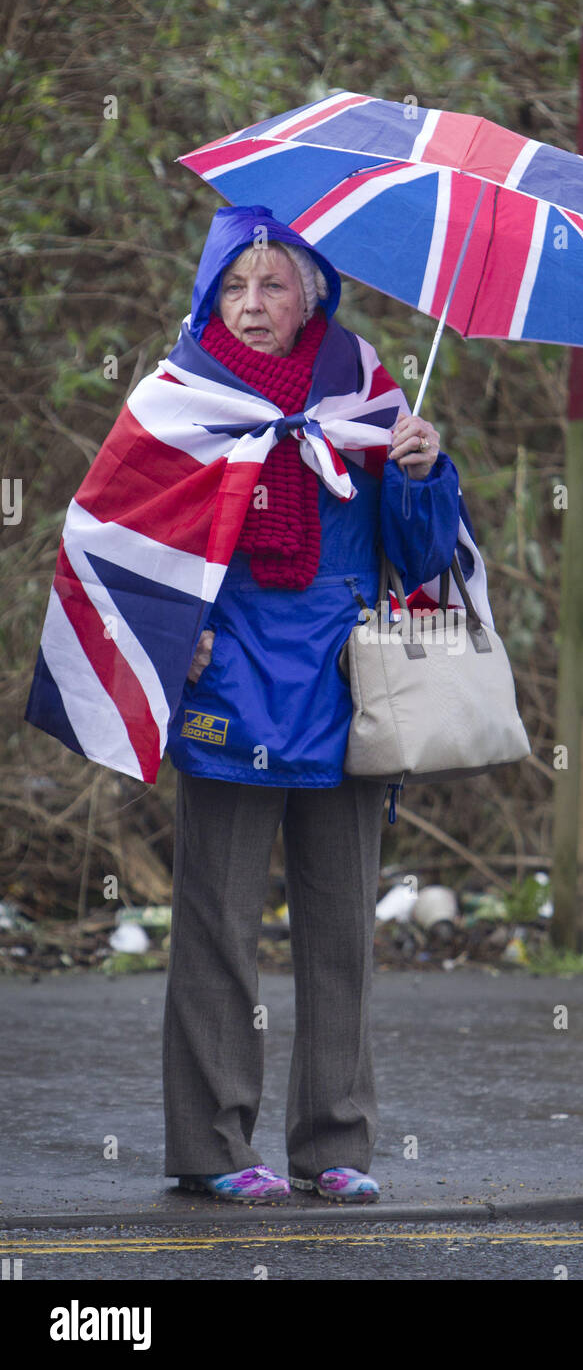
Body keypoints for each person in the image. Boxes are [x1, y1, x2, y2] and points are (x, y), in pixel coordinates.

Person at [159, 205, 466, 1205]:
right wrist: (175, 629)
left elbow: (418, 560)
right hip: (226, 688)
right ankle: (212, 1148)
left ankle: (335, 1142)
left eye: (274, 284)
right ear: (213, 295)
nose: (252, 305)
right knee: (215, 926)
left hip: (343, 692)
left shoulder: (367, 389)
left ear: (312, 294)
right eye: (234, 285)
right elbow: (127, 534)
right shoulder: (180, 395)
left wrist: (422, 474)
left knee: (340, 931)